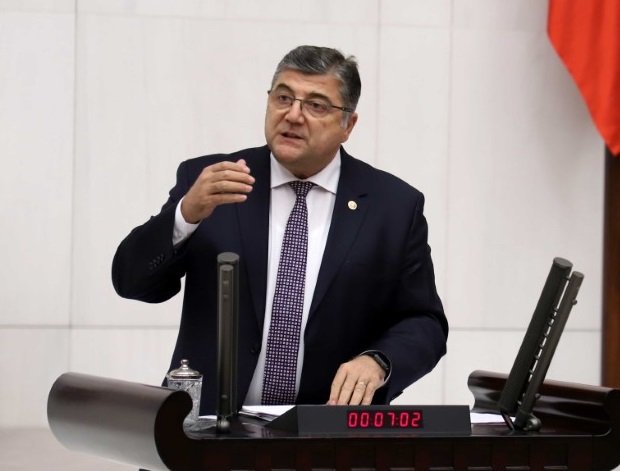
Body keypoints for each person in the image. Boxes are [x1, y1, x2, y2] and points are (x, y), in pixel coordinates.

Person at [112, 45, 447, 414]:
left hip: (325, 431)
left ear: (348, 125)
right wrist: (185, 215)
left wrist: (379, 361)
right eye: (283, 98)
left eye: (316, 105)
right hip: (207, 427)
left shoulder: (392, 207)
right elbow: (132, 282)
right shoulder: (213, 183)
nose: (293, 115)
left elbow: (424, 322)